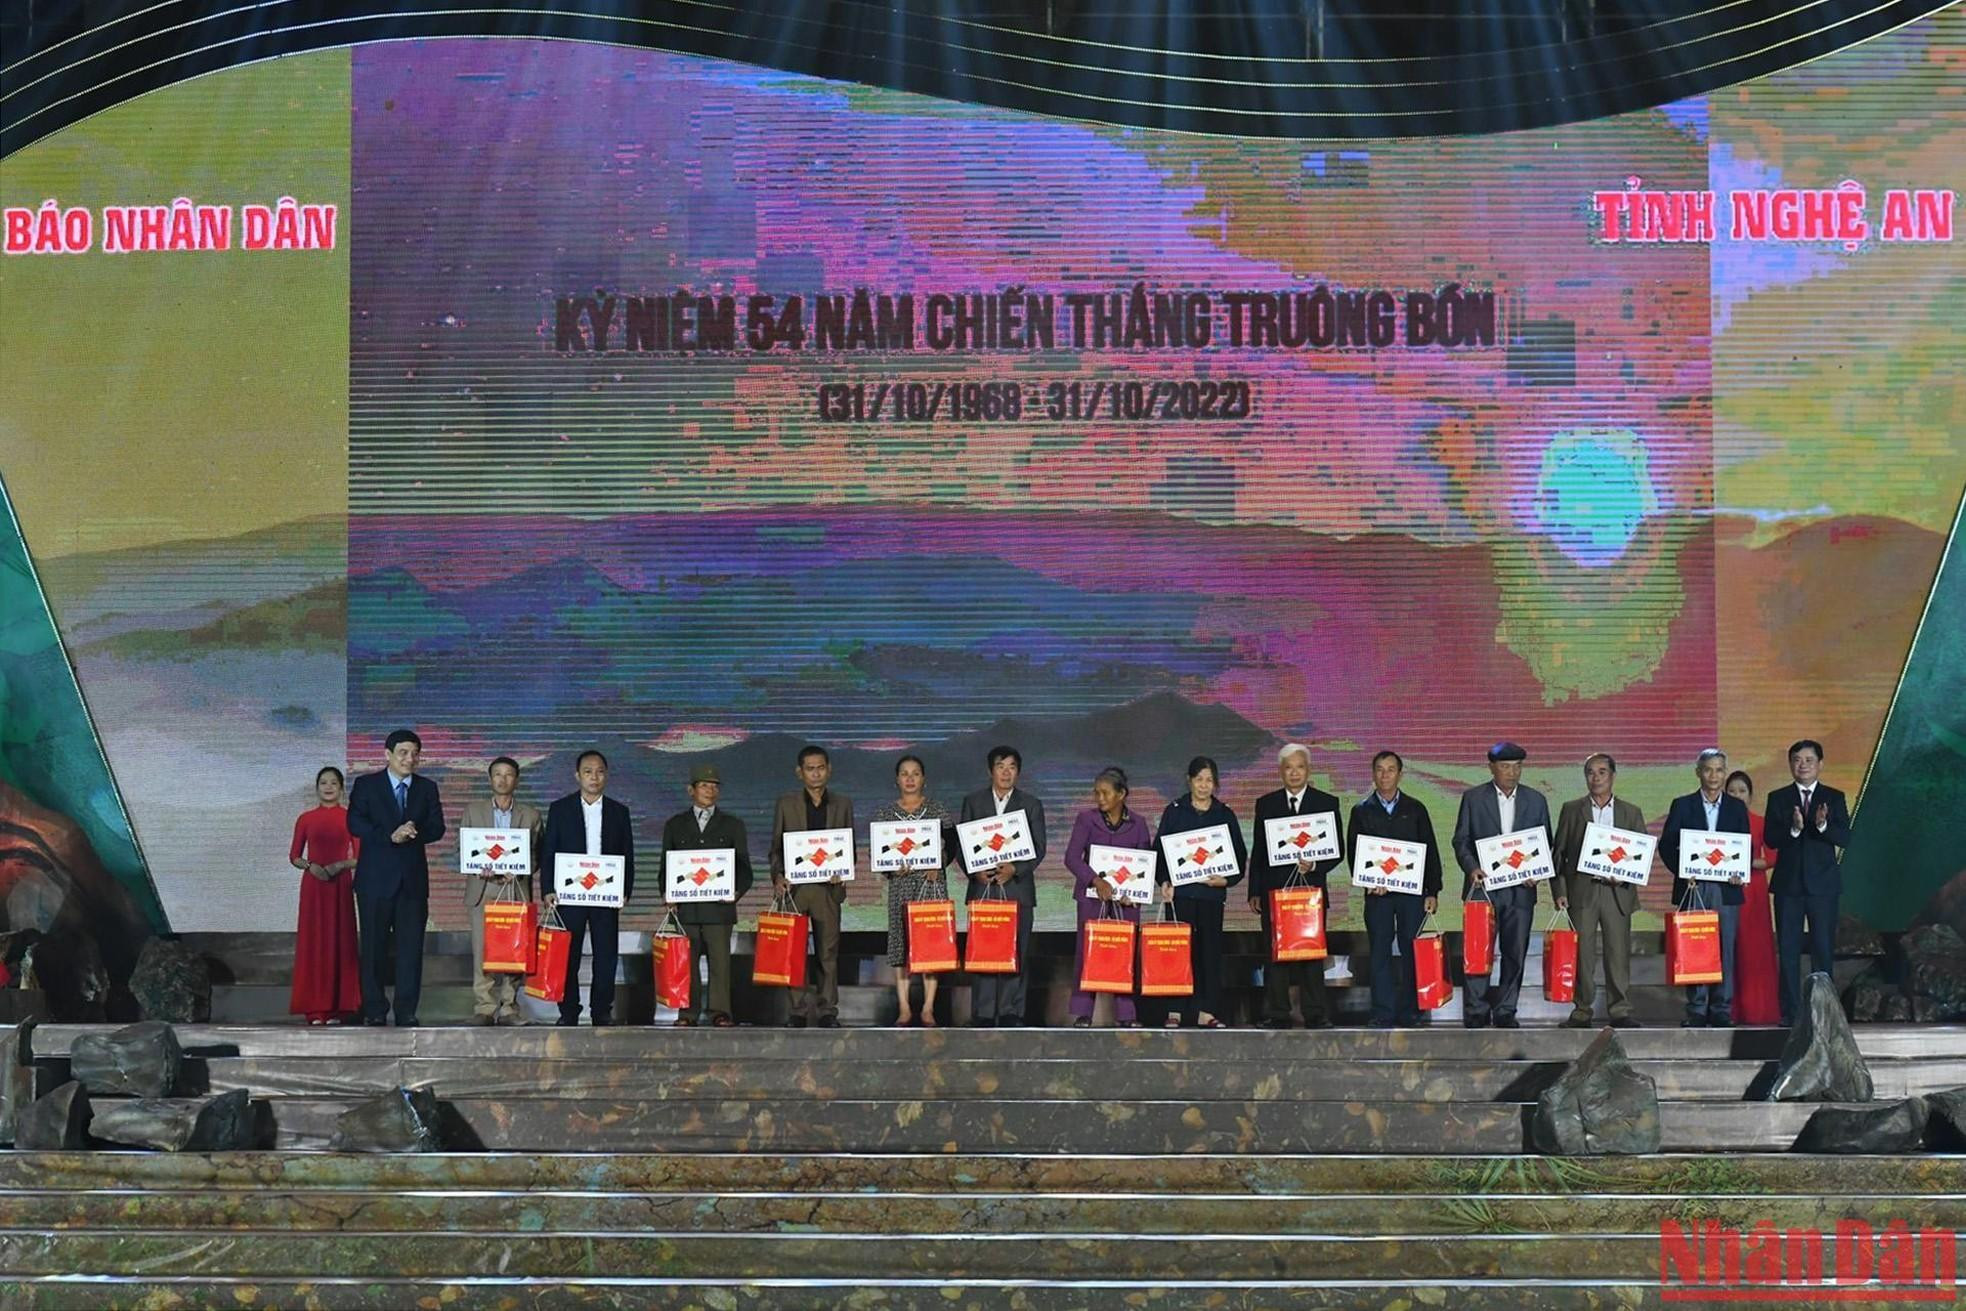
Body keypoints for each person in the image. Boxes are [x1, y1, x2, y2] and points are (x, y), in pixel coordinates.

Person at [1451, 741, 1556, 1029]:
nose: (1512, 773)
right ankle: (1476, 1010)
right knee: (1477, 951)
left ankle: (1506, 1009)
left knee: (1515, 951)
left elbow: (1545, 844)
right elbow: (1460, 841)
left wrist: (1537, 871)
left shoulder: (1536, 801)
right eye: (1506, 767)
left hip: (1521, 890)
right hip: (1482, 889)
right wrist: (1472, 868)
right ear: (1492, 768)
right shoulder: (1473, 798)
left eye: (1517, 767)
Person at [346, 730, 446, 1027]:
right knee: (374, 949)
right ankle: (375, 1009)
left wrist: (414, 831)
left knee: (410, 951)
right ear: (387, 754)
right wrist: (390, 835)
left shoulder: (427, 788)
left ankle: (406, 1010)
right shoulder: (367, 785)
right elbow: (354, 822)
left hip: (412, 883)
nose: (409, 758)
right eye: (403, 752)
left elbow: (437, 827)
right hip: (375, 881)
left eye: (415, 753)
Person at [1247, 744, 1345, 1030]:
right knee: (1275, 955)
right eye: (1288, 767)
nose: (1294, 772)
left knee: (1311, 955)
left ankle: (1315, 1013)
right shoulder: (1266, 804)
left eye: (1299, 766)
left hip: (1311, 892)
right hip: (1274, 892)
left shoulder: (1326, 803)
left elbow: (1336, 849)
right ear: (1280, 771)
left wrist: (1314, 865)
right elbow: (1260, 851)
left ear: (1308, 770)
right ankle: (1277, 1013)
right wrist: (1255, 890)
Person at [540, 750, 635, 1027]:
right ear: (577, 776)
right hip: (569, 896)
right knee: (567, 954)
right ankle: (568, 1010)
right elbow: (549, 852)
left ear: (607, 775)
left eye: (600, 771)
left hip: (606, 895)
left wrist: (624, 889)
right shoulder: (560, 809)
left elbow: (627, 854)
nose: (594, 777)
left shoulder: (619, 811)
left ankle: (601, 1010)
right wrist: (548, 888)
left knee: (606, 955)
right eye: (588, 771)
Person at [1553, 753, 1646, 1029]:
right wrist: (1559, 890)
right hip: (1583, 891)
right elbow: (1559, 854)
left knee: (1617, 953)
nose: (1596, 778)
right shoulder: (1572, 809)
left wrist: (1626, 877)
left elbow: (1640, 855)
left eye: (1602, 772)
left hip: (1618, 893)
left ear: (1613, 776)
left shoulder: (1631, 812)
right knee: (1582, 954)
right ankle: (1582, 1010)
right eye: (1591, 773)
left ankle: (1620, 1010)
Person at [1154, 756, 1247, 1029]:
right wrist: (1164, 881)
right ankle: (1175, 1011)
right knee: (1179, 954)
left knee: (1209, 955)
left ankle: (1207, 1012)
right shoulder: (1174, 811)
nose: (1204, 785)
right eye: (1199, 779)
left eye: (1209, 780)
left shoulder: (1224, 814)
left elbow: (1240, 857)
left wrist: (1226, 880)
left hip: (1211, 897)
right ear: (1189, 780)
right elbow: (1159, 852)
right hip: (1181, 896)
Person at [1661, 749, 1752, 1028]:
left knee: (1725, 948)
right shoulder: (1683, 805)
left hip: (1726, 889)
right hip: (1693, 888)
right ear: (1698, 772)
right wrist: (1683, 870)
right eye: (1708, 770)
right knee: (1695, 947)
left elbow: (1742, 847)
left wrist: (1739, 872)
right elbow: (1666, 845)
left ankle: (1722, 1008)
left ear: (1725, 773)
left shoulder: (1737, 808)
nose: (1714, 776)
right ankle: (1697, 1009)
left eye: (1719, 770)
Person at [1763, 739, 1852, 1025]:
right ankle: (1789, 1013)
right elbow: (1770, 839)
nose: (1802, 765)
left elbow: (1844, 838)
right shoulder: (1778, 797)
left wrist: (1822, 825)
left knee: (1822, 950)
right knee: (1788, 951)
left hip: (1823, 887)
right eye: (1797, 760)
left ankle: (1823, 1013)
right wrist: (1794, 828)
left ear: (1820, 764)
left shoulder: (1833, 797)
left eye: (1808, 760)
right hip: (1788, 886)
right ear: (1790, 764)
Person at [1351, 751, 1443, 1028]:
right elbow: (1355, 853)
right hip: (1377, 896)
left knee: (1410, 950)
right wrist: (1368, 880)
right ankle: (1382, 1011)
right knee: (1379, 951)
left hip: (1410, 895)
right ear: (1373, 774)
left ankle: (1412, 1010)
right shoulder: (1361, 810)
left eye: (1391, 770)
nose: (1385, 775)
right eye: (1380, 770)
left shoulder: (1415, 808)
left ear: (1400, 774)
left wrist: (1432, 891)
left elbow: (1430, 851)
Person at [658, 763, 753, 1028]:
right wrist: (667, 893)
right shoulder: (675, 825)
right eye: (704, 785)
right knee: (685, 965)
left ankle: (720, 1012)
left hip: (719, 909)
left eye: (714, 786)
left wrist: (736, 891)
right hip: (686, 910)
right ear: (691, 790)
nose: (710, 790)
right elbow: (666, 866)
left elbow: (745, 868)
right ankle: (687, 1013)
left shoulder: (733, 825)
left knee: (720, 965)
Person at [958, 745, 1047, 1027]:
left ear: (1018, 772)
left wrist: (1015, 869)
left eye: (1012, 767)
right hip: (983, 889)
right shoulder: (973, 801)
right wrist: (975, 872)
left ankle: (1011, 1011)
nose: (1006, 772)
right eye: (1000, 766)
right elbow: (962, 846)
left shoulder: (1031, 804)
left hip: (1017, 890)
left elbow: (1039, 847)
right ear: (990, 771)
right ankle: (983, 1012)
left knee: (1016, 952)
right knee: (983, 953)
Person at [1062, 767, 1157, 1028]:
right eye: (1096, 793)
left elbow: (1144, 863)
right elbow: (1071, 857)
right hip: (1092, 898)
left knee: (1124, 954)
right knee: (1087, 952)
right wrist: (1095, 879)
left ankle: (1126, 1014)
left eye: (1105, 793)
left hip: (1126, 903)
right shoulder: (1085, 819)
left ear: (1121, 794)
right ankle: (1083, 1013)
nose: (1099, 798)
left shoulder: (1138, 823)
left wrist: (1135, 892)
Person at [770, 744, 853, 1029]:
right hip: (795, 890)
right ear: (799, 772)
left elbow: (848, 846)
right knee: (794, 954)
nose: (815, 773)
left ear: (829, 770)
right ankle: (797, 1010)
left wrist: (842, 872)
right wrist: (778, 876)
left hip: (827, 890)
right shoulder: (786, 803)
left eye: (820, 768)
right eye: (810, 769)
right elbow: (776, 848)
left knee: (827, 953)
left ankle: (828, 1009)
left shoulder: (842, 803)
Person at [457, 756, 544, 1026]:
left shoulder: (530, 815)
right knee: (482, 951)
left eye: (508, 775)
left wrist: (519, 868)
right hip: (483, 889)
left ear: (516, 780)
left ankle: (509, 1007)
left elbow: (539, 854)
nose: (503, 779)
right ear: (489, 779)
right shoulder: (473, 810)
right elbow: (463, 850)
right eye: (498, 774)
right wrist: (478, 867)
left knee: (513, 951)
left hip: (515, 889)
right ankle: (484, 1006)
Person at [870, 754, 956, 1027]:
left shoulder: (937, 809)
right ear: (897, 779)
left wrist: (938, 863)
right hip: (901, 886)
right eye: (904, 773)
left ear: (924, 779)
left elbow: (952, 845)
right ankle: (905, 1008)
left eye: (915, 773)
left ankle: (928, 1008)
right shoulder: (885, 814)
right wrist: (891, 870)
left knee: (931, 946)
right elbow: (879, 853)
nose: (909, 778)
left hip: (931, 885)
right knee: (900, 946)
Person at [288, 766, 361, 1025]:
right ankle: (314, 1008)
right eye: (323, 783)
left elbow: (360, 857)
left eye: (333, 783)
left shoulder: (351, 817)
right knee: (314, 943)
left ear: (341, 788)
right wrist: (311, 866)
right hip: (314, 886)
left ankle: (337, 1007)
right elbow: (294, 856)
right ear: (317, 788)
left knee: (338, 941)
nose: (328, 787)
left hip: (339, 884)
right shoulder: (305, 819)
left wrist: (339, 866)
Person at [1725, 770, 1782, 1026]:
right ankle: (1728, 1010)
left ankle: (1758, 1010)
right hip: (1725, 890)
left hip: (1753, 891)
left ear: (1750, 795)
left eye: (1742, 791)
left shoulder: (1760, 822)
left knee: (1753, 950)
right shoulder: (1719, 823)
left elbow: (1773, 856)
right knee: (1729, 949)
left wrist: (1745, 863)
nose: (1737, 795)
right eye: (1732, 791)